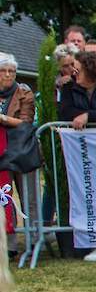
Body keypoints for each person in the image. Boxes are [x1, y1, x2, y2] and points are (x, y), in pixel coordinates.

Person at [58, 51, 96, 261]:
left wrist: (88, 116)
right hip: (85, 153)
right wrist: (79, 115)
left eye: (78, 68)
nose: (74, 73)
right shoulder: (68, 88)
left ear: (91, 69)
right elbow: (64, 111)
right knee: (95, 194)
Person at [0, 53, 35, 257]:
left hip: (22, 148)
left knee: (29, 197)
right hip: (1, 151)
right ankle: (9, 244)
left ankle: (34, 239)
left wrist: (3, 118)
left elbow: (26, 121)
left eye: (11, 71)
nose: (7, 75)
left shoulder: (24, 92)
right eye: (3, 71)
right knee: (5, 197)